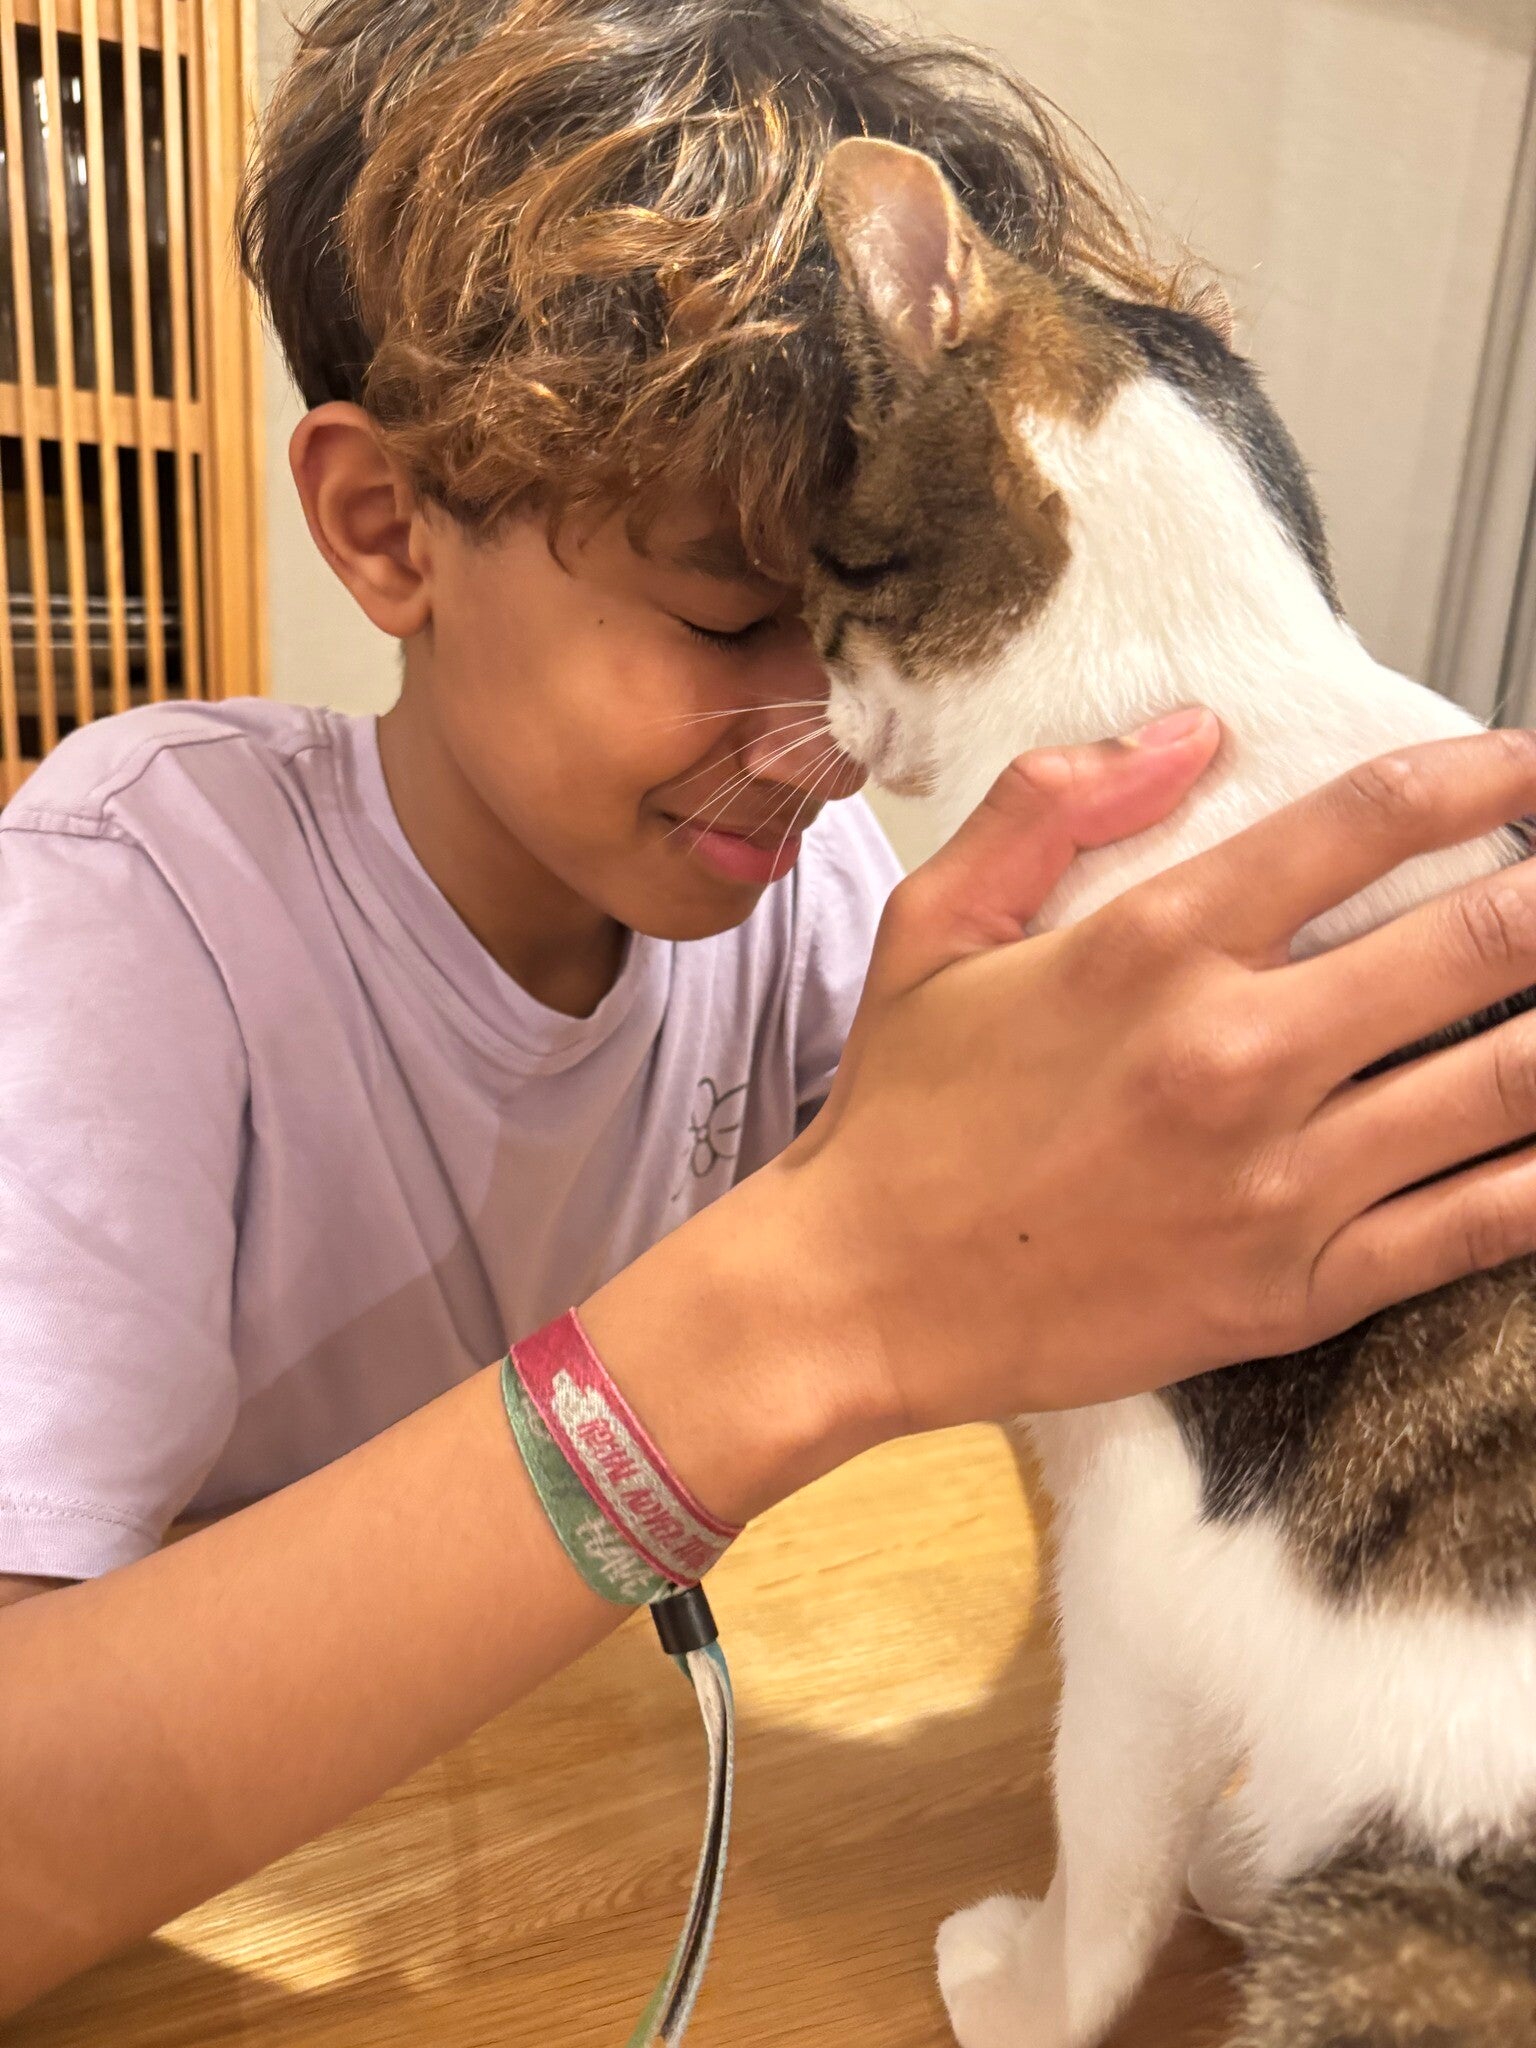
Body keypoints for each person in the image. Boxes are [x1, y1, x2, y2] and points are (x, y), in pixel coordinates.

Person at [6, 0, 1536, 2016]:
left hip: (606, 1811)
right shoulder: (138, 899)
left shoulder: (802, 898)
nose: (824, 724)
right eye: (733, 615)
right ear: (386, 529)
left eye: (859, 602)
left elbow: (1054, 1318)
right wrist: (807, 1307)